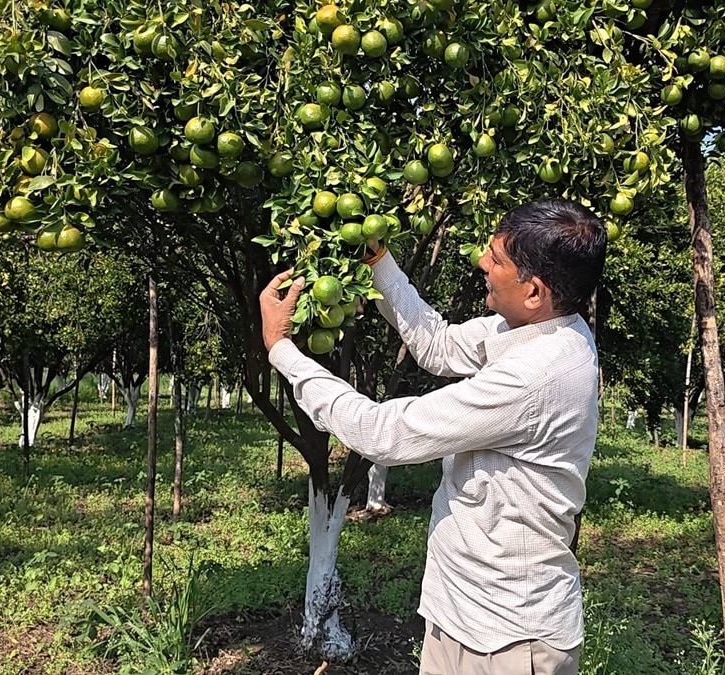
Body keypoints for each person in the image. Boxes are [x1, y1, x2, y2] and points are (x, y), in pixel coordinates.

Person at [259, 198, 607, 675]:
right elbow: (438, 344)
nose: (483, 263)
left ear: (534, 291)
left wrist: (283, 352)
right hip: (463, 610)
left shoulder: (538, 375)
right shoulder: (539, 327)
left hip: (506, 637)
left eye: (498, 260)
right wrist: (378, 260)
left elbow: (386, 435)